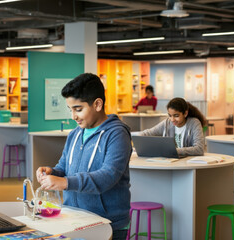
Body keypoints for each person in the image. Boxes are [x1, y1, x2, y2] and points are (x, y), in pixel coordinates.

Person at [36, 73, 132, 240]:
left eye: (78, 109)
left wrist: (65, 182)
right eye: (71, 110)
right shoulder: (74, 134)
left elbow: (108, 176)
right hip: (74, 217)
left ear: (97, 104)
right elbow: (64, 167)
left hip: (108, 222)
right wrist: (53, 172)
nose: (74, 116)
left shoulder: (117, 134)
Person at [134, 97, 205, 157]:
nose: (172, 119)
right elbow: (148, 133)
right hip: (170, 162)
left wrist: (174, 151)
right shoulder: (167, 123)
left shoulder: (194, 123)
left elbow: (199, 149)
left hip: (187, 164)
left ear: (185, 113)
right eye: (170, 115)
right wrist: (136, 137)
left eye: (176, 116)